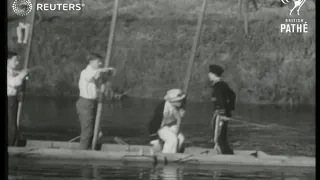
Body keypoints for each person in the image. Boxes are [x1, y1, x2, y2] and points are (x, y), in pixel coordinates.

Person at [76, 53, 116, 150]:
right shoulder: (85, 72)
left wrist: (110, 71)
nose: (100, 63)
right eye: (98, 61)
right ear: (92, 62)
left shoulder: (95, 73)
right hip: (85, 104)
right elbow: (93, 75)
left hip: (93, 103)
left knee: (97, 131)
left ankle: (90, 148)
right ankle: (82, 153)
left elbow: (102, 77)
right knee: (87, 131)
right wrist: (104, 70)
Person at [208, 64, 236, 155]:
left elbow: (220, 100)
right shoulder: (223, 84)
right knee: (222, 135)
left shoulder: (217, 86)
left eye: (210, 73)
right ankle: (227, 151)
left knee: (218, 136)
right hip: (224, 113)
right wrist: (230, 108)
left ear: (213, 74)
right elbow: (233, 95)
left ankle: (222, 154)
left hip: (220, 115)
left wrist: (222, 114)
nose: (209, 75)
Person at [148, 89, 186, 153]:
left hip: (170, 125)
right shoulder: (161, 109)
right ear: (172, 101)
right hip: (160, 128)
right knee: (173, 139)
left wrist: (180, 117)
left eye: (181, 100)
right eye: (179, 101)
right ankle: (166, 155)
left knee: (181, 139)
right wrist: (154, 139)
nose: (181, 102)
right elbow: (153, 124)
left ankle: (176, 153)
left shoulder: (178, 106)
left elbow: (178, 120)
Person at [7, 51, 29, 146]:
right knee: (12, 126)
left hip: (12, 99)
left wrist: (22, 74)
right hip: (9, 100)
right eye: (15, 61)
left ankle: (10, 144)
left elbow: (15, 74)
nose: (17, 63)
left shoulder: (11, 71)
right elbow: (13, 82)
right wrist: (22, 75)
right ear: (8, 61)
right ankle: (10, 146)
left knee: (12, 125)